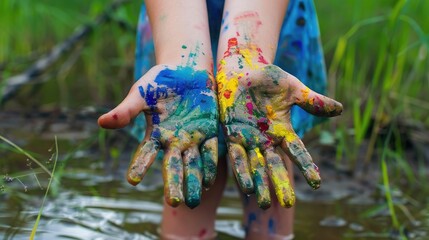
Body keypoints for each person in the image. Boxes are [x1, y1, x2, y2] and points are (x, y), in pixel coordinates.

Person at [98, 0, 343, 239]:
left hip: (267, 18)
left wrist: (247, 52)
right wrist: (184, 60)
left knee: (264, 139)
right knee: (190, 144)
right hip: (173, 22)